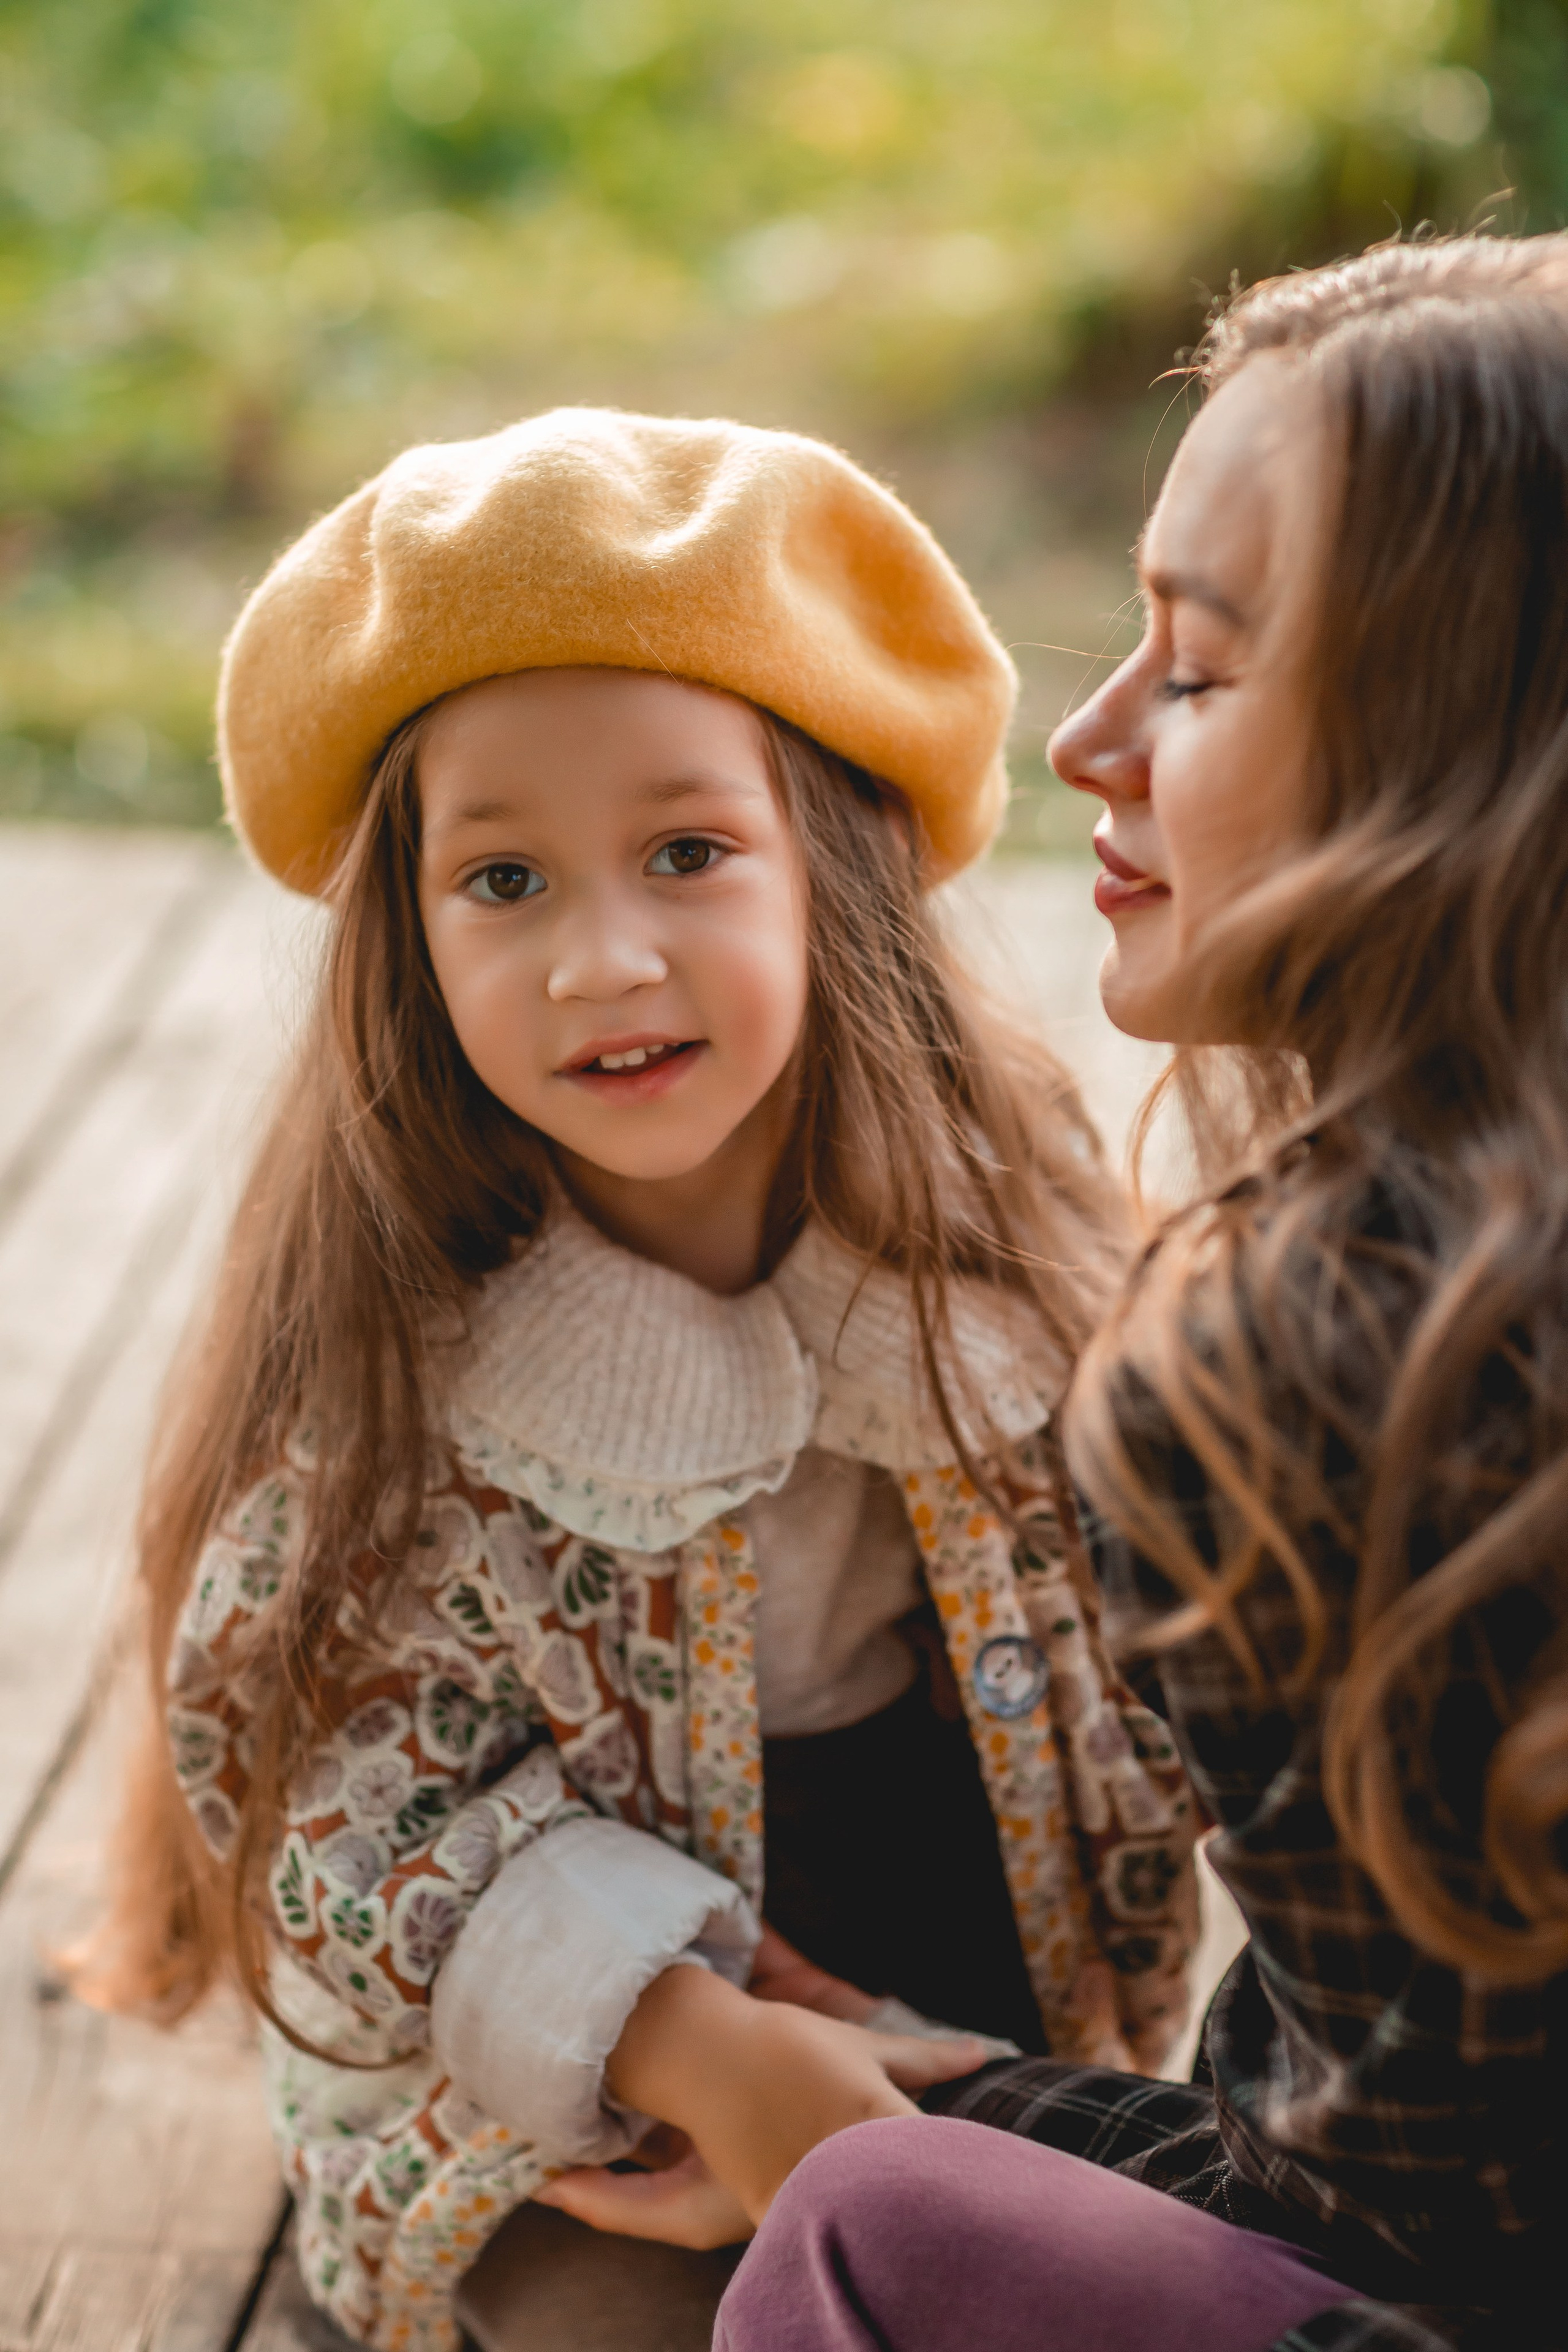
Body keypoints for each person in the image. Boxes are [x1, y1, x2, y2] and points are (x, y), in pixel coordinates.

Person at [90, 409, 1200, 2352]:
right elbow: (337, 1796)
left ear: (833, 872)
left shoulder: (1011, 1283)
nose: (603, 959)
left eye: (687, 852)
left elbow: (1199, 1638)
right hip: (568, 2115)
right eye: (502, 883)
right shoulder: (405, 1370)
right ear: (408, 946)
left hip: (977, 2004)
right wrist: (698, 2050)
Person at [713, 233, 1568, 2352]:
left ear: (1465, 748)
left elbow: (1437, 2249)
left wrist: (966, 2120)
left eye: (1195, 671)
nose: (1090, 736)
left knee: (876, 2221)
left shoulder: (1326, 1351)